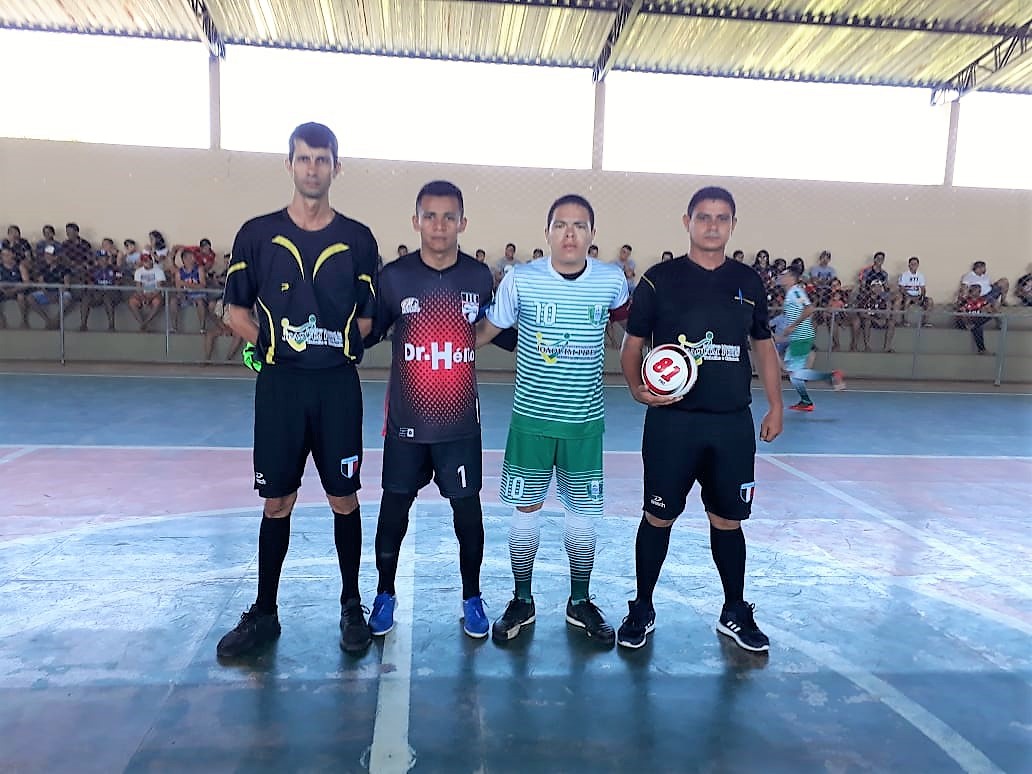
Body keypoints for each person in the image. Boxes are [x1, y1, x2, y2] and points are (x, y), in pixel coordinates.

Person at [216, 122, 380, 659]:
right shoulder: (256, 235)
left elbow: (371, 319)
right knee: (278, 500)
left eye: (322, 159)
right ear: (289, 164)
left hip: (336, 387)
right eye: (304, 158)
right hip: (281, 387)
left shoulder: (358, 240)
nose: (313, 168)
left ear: (337, 166)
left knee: (343, 497)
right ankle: (265, 613)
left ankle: (351, 605)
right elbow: (232, 311)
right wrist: (277, 341)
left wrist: (336, 343)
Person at [616, 186, 783, 653]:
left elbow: (763, 345)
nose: (713, 225)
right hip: (673, 424)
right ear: (686, 221)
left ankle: (734, 610)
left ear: (732, 225)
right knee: (658, 515)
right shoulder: (658, 280)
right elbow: (633, 345)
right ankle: (642, 606)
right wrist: (635, 387)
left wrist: (775, 403)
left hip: (731, 424)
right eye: (704, 217)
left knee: (728, 521)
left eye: (722, 218)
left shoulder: (748, 283)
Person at [476, 194, 630, 647]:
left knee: (583, 517)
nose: (569, 233)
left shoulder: (611, 281)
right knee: (525, 514)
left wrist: (653, 368)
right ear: (546, 233)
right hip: (532, 421)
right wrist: (438, 348)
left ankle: (579, 601)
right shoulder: (520, 281)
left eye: (579, 226)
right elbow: (487, 330)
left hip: (585, 423)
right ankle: (522, 599)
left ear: (592, 235)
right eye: (560, 225)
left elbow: (628, 332)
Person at [363, 180, 500, 640]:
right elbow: (367, 330)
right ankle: (384, 593)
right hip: (406, 422)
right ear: (415, 220)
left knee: (468, 514)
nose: (439, 226)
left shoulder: (479, 277)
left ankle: (472, 597)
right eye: (430, 216)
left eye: (449, 216)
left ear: (463, 222)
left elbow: (495, 329)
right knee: (393, 509)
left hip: (460, 422)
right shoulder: (394, 277)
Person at [776, 267, 845, 411]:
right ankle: (806, 401)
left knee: (794, 372)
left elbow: (809, 309)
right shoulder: (791, 293)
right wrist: (784, 335)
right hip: (797, 336)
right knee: (792, 373)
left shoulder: (795, 292)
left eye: (784, 275)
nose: (781, 277)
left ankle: (831, 376)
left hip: (801, 336)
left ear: (791, 278)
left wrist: (793, 327)